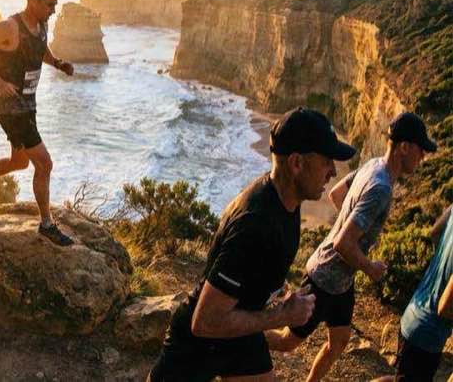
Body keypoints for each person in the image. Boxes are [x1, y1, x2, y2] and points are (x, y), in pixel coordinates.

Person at [149, 107, 357, 381]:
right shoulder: (254, 225)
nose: (332, 172)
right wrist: (282, 316)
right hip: (199, 345)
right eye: (326, 161)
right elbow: (205, 322)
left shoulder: (287, 201)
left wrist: (276, 291)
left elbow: (258, 267)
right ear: (297, 163)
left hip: (241, 331)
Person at [265, 112, 437, 381]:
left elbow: (337, 195)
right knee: (288, 342)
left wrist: (351, 222)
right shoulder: (381, 188)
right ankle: (240, 338)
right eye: (421, 150)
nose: (423, 156)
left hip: (341, 281)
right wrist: (370, 267)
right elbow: (343, 243)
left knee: (340, 341)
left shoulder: (373, 166)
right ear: (404, 147)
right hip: (323, 276)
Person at [0, 0, 75, 246]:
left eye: (55, 4)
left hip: (28, 104)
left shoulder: (42, 24)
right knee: (44, 163)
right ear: (32, 0)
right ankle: (46, 224)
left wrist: (57, 63)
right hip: (11, 108)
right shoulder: (9, 27)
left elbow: (40, 47)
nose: (53, 10)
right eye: (49, 4)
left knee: (20, 162)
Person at [372, 197, 453, 382]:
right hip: (427, 335)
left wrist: (442, 265)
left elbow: (434, 232)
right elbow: (446, 307)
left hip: (413, 314)